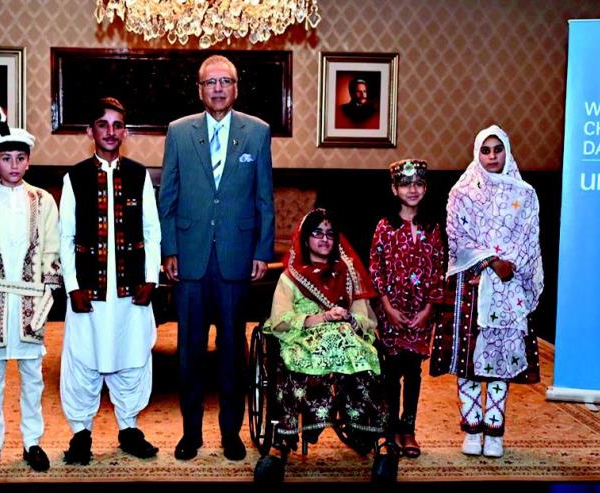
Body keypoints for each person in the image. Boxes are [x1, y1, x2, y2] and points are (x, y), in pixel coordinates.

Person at [158, 54, 275, 461]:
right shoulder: (178, 132)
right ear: (200, 89)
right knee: (189, 352)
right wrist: (169, 249)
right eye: (211, 82)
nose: (219, 88)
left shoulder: (257, 132)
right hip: (189, 260)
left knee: (231, 353)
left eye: (226, 81)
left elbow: (264, 198)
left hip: (235, 259)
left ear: (236, 88)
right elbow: (167, 196)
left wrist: (261, 250)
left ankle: (231, 434)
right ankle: (190, 434)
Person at [253, 208, 395, 484]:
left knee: (365, 366)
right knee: (298, 368)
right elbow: (279, 320)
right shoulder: (291, 277)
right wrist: (321, 318)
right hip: (304, 339)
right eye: (317, 233)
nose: (324, 239)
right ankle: (280, 444)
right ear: (305, 239)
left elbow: (366, 319)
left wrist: (349, 319)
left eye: (330, 234)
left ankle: (378, 440)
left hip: (346, 341)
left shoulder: (349, 274)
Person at [430, 125, 543, 458]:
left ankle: (494, 430)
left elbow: (528, 239)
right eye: (485, 150)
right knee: (466, 359)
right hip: (470, 284)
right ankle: (471, 427)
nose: (492, 156)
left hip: (509, 286)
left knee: (499, 359)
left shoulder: (525, 193)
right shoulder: (462, 192)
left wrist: (507, 266)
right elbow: (457, 237)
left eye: (498, 149)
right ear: (476, 153)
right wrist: (491, 262)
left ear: (507, 151)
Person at [58, 97, 161, 465]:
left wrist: (151, 278)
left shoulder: (138, 174)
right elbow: (65, 237)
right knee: (83, 357)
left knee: (132, 355)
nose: (111, 131)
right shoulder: (74, 177)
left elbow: (151, 231)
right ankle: (80, 433)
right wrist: (72, 286)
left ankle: (129, 427)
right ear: (91, 131)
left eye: (117, 125)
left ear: (125, 132)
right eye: (103, 124)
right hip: (88, 289)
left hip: (132, 290)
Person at [0, 120, 60, 474]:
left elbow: (51, 249)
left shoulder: (43, 201)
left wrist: (47, 292)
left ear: (29, 161)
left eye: (20, 157)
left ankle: (33, 441)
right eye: (6, 158)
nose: (14, 164)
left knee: (33, 376)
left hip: (30, 301)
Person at [369, 159, 446, 460]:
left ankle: (408, 429)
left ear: (425, 188)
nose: (412, 190)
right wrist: (387, 307)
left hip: (421, 314)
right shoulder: (385, 227)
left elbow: (438, 269)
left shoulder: (433, 228)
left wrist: (428, 310)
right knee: (391, 373)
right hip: (392, 313)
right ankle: (389, 430)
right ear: (394, 189)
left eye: (418, 184)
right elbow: (376, 269)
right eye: (405, 184)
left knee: (413, 372)